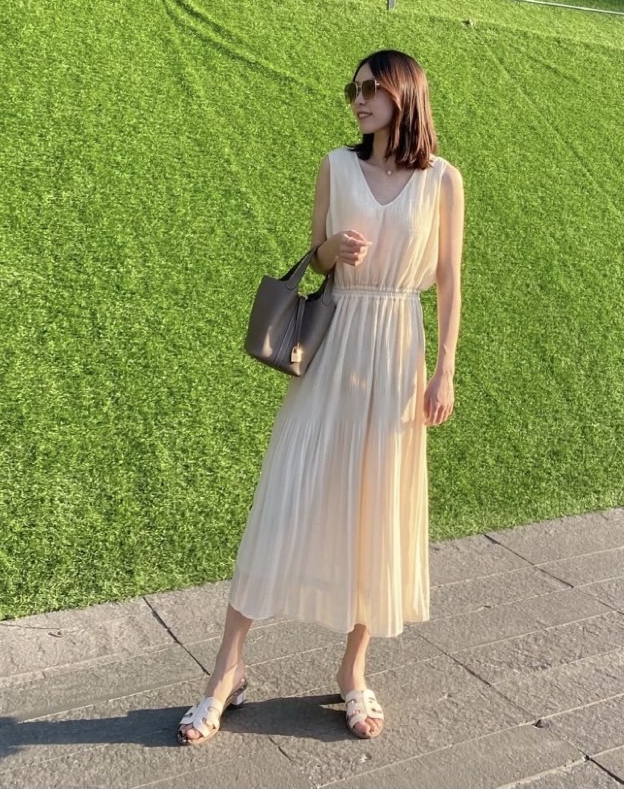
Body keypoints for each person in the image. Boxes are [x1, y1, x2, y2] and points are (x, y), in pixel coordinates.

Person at [176, 50, 465, 746]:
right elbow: (317, 258)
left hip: (397, 354)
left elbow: (450, 278)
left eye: (370, 89)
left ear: (404, 95)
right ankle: (226, 670)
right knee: (286, 491)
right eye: (353, 89)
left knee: (377, 503)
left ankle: (353, 669)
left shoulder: (443, 179)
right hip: (335, 346)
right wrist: (333, 247)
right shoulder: (336, 166)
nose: (358, 99)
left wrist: (445, 370)